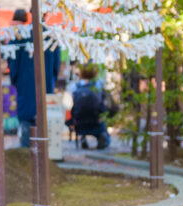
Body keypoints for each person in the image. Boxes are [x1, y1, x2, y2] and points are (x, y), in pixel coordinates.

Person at [6, 9, 60, 148]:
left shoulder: (21, 34)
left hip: (25, 84)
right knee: (44, 120)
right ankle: (45, 157)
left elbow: (12, 61)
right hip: (46, 83)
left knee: (26, 123)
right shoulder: (52, 36)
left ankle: (26, 155)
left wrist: (15, 79)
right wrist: (51, 80)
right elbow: (56, 66)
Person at [69, 63, 114, 149]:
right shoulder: (98, 85)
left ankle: (83, 137)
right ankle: (102, 137)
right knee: (102, 128)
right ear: (95, 73)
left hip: (80, 123)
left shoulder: (75, 87)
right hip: (96, 121)